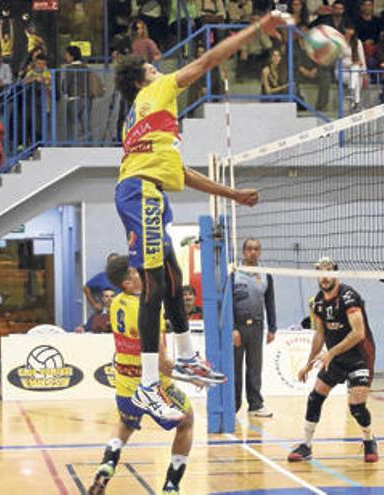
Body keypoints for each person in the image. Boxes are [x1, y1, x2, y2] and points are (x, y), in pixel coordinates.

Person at [113, 12, 286, 422]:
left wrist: (232, 194)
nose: (162, 71)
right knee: (155, 284)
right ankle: (148, 386)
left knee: (171, 276)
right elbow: (207, 62)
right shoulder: (156, 92)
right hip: (140, 194)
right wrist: (257, 30)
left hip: (147, 193)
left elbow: (183, 174)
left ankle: (188, 358)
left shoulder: (143, 121)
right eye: (153, 68)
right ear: (142, 79)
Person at [87, 255, 197, 495]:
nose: (142, 273)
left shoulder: (116, 303)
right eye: (137, 272)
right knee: (187, 422)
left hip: (126, 386)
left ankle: (108, 463)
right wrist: (192, 375)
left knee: (126, 424)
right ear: (127, 282)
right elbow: (160, 360)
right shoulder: (148, 310)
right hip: (154, 387)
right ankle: (172, 485)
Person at [287, 256, 378, 465]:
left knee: (356, 407)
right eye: (320, 272)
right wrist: (308, 365)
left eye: (328, 271)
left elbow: (358, 333)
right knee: (315, 396)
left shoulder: (349, 297)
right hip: (336, 358)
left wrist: (331, 353)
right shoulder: (318, 302)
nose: (324, 276)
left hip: (360, 358)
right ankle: (306, 445)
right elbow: (319, 336)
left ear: (336, 273)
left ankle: (369, 439)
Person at [232, 238, 277, 418]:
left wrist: (272, 327)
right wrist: (232, 328)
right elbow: (227, 303)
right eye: (250, 249)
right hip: (238, 328)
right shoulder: (234, 273)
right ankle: (233, 406)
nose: (253, 252)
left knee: (255, 368)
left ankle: (256, 405)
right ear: (244, 252)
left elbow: (270, 302)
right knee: (235, 369)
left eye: (257, 249)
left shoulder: (265, 274)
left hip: (257, 327)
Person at [61, 45, 104, 143]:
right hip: (87, 98)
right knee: (85, 124)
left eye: (67, 54)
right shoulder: (86, 67)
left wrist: (65, 92)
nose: (65, 56)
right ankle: (88, 145)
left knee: (71, 124)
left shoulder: (70, 68)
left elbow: (67, 83)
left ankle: (70, 145)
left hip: (74, 98)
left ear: (72, 56)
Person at [339, 24, 367, 111]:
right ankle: (357, 102)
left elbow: (362, 58)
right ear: (344, 29)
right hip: (341, 71)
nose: (350, 32)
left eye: (352, 30)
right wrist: (351, 63)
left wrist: (364, 73)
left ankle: (351, 90)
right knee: (356, 74)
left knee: (357, 76)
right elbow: (339, 60)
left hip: (355, 71)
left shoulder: (357, 42)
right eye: (348, 29)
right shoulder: (339, 42)